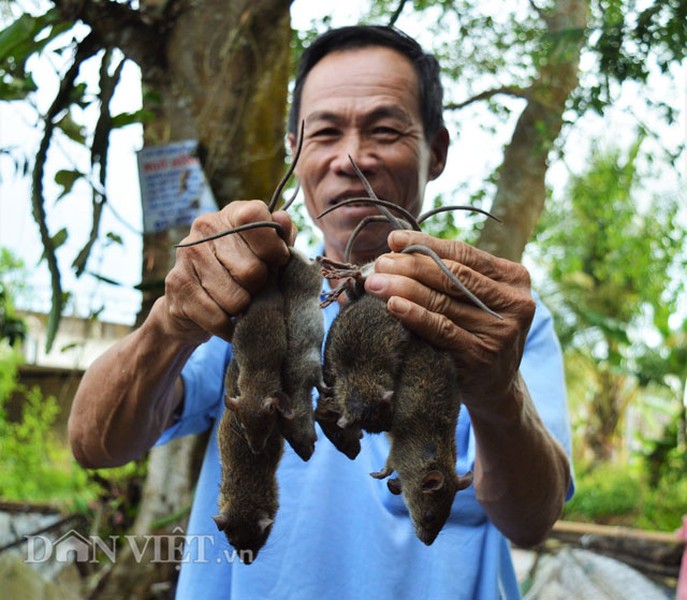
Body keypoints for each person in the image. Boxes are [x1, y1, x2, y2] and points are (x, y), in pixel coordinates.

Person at [69, 25, 573, 600]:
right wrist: (171, 322)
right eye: (325, 132)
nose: (352, 159)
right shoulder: (248, 300)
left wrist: (496, 386)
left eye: (386, 130)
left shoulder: (494, 321)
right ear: (294, 151)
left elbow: (533, 519)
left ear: (437, 152)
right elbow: (94, 444)